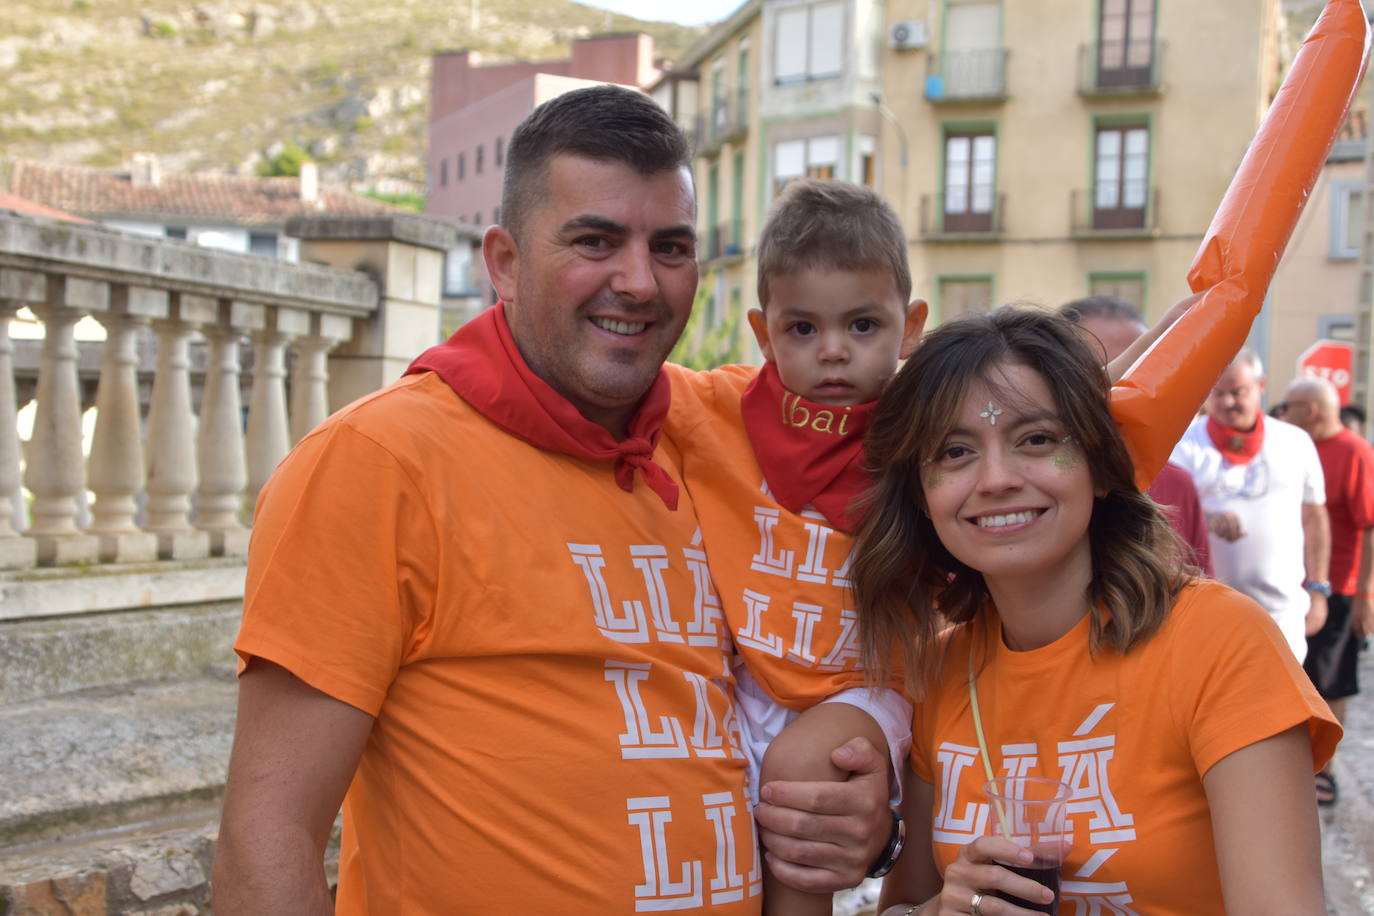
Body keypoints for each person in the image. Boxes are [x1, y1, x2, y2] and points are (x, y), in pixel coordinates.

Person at [211, 85, 895, 915]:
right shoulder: (378, 463)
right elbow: (266, 841)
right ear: (502, 261)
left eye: (671, 247)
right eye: (595, 240)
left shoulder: (732, 429)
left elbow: (991, 433)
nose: (639, 282)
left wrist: (865, 807)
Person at [850, 307, 1339, 915]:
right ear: (921, 497)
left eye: (1037, 440)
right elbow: (904, 905)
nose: (997, 478)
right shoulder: (937, 672)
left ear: (1100, 469)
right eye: (954, 451)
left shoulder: (1223, 644)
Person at [667, 178, 927, 916]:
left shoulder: (932, 430)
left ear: (910, 325)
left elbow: (1068, 401)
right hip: (747, 677)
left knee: (799, 780)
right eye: (803, 329)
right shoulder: (712, 410)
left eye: (864, 326)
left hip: (864, 683)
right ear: (762, 331)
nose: (834, 352)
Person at [1170, 350, 1331, 661]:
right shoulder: (1183, 443)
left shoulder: (1294, 441)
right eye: (1218, 394)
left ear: (1261, 386)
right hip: (1204, 610)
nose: (1229, 402)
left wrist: (1318, 588)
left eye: (1238, 392)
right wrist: (1204, 518)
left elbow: (1314, 516)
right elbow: (1162, 512)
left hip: (1281, 612)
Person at [1059, 295, 1212, 575]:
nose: (1124, 391)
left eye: (1144, 370)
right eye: (1103, 374)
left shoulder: (1177, 484)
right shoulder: (1020, 490)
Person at [1281, 376, 1374, 806]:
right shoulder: (1298, 448)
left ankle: (1325, 769)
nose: (1284, 413)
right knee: (1296, 677)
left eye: (1291, 406)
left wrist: (1366, 595)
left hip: (1340, 588)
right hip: (1292, 586)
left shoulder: (1355, 453)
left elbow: (1370, 528)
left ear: (1312, 411)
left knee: (1331, 681)